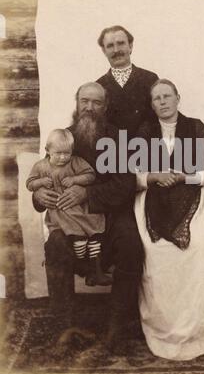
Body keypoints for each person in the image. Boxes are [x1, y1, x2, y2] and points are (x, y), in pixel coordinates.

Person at [32, 82, 139, 354]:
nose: (89, 108)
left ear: (105, 107)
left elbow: (125, 186)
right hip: (69, 219)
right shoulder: (62, 138)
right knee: (55, 244)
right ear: (76, 103)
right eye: (84, 101)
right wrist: (39, 197)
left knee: (131, 244)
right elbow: (42, 175)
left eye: (96, 102)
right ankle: (64, 328)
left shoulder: (118, 139)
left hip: (111, 216)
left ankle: (117, 327)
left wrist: (86, 193)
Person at [134, 79, 204, 360]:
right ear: (152, 105)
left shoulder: (196, 128)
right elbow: (132, 176)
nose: (162, 102)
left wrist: (185, 177)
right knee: (153, 250)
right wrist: (154, 176)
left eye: (166, 96)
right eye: (156, 99)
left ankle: (198, 326)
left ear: (177, 98)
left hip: (193, 201)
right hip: (153, 201)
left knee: (198, 246)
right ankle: (163, 326)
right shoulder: (145, 131)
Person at [26, 128, 112, 287]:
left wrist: (75, 179)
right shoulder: (41, 167)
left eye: (67, 153)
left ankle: (95, 272)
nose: (63, 157)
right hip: (61, 213)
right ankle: (82, 266)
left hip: (80, 210)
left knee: (95, 239)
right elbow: (29, 183)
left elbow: (90, 175)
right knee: (77, 241)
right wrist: (40, 184)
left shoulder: (76, 162)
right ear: (47, 150)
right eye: (58, 153)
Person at [96, 25, 158, 138]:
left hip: (146, 149)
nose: (116, 50)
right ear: (104, 51)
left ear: (130, 46)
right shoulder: (98, 86)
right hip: (111, 151)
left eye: (121, 43)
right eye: (110, 46)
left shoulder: (150, 79)